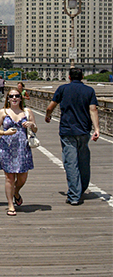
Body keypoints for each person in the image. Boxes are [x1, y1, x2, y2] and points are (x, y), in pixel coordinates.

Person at [45, 68, 102, 205]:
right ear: (82, 76)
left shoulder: (62, 89)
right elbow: (93, 109)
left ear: (69, 77)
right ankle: (81, 187)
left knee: (71, 163)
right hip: (84, 131)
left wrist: (48, 115)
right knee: (83, 161)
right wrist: (97, 129)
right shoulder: (89, 91)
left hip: (67, 130)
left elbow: (50, 107)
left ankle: (74, 195)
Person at [0, 88, 35, 216]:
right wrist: (5, 133)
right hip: (6, 147)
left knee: (22, 177)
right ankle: (10, 204)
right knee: (9, 177)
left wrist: (31, 125)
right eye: (11, 96)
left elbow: (35, 128)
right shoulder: (3, 112)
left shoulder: (27, 112)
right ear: (8, 99)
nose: (14, 98)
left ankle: (16, 192)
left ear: (21, 98)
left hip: (23, 147)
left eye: (17, 96)